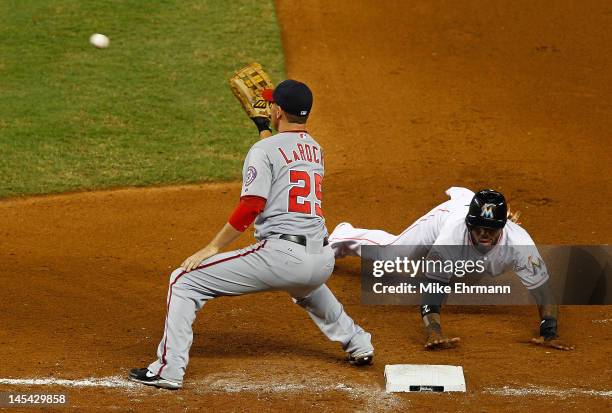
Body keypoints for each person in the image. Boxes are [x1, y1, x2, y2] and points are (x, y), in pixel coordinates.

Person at [128, 80, 374, 390]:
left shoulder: (263, 150)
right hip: (322, 260)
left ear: (278, 110)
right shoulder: (315, 149)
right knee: (305, 285)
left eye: (272, 105)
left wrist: (212, 247)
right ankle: (357, 342)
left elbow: (252, 205)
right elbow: (283, 156)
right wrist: (263, 127)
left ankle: (168, 369)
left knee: (184, 280)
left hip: (284, 258)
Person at [329, 187, 574, 351]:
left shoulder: (520, 244)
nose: (483, 233)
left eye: (489, 229)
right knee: (394, 254)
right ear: (470, 223)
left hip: (471, 248)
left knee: (471, 271)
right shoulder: (453, 235)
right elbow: (432, 290)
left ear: (502, 227)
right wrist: (433, 329)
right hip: (447, 216)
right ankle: (343, 237)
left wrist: (549, 330)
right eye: (477, 227)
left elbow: (544, 290)